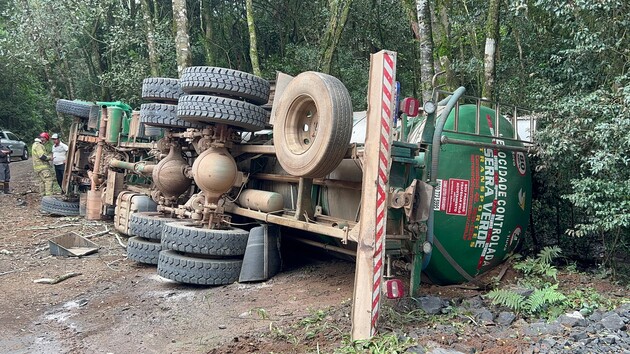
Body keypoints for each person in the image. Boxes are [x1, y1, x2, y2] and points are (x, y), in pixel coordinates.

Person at [32, 132, 54, 196]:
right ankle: (49, 196)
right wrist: (50, 158)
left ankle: (43, 196)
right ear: (43, 139)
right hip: (43, 168)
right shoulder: (38, 145)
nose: (46, 142)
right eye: (46, 140)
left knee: (41, 182)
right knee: (48, 181)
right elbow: (42, 156)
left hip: (37, 168)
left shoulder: (34, 144)